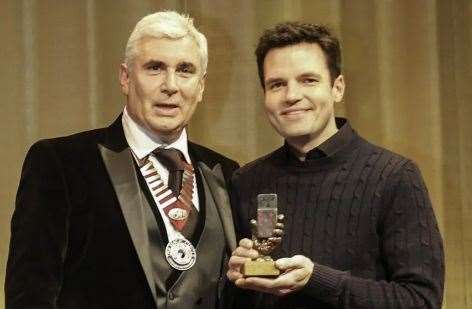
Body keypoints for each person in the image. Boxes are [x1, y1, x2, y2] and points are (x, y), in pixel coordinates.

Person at [6, 11, 239, 309]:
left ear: (201, 86)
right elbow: (30, 293)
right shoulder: (61, 163)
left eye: (185, 70)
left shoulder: (227, 173)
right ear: (126, 78)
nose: (170, 85)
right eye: (155, 68)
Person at [227, 22, 444, 308]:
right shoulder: (245, 181)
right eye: (277, 84)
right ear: (264, 95)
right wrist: (235, 279)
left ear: (337, 88)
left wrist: (316, 279)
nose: (291, 95)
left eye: (308, 80)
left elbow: (422, 300)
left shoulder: (395, 176)